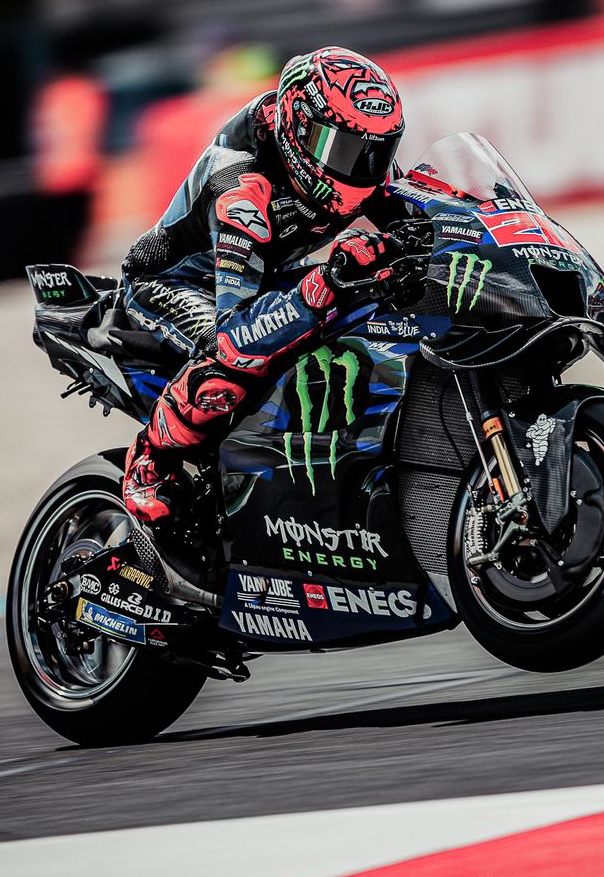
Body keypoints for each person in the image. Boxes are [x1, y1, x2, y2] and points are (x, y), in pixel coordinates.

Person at [122, 46, 408, 526]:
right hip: (182, 284)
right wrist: (325, 282)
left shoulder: (351, 157)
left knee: (372, 302)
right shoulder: (243, 187)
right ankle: (151, 459)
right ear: (300, 128)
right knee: (231, 361)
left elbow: (414, 211)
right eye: (345, 152)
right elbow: (236, 331)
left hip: (263, 274)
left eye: (374, 154)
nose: (362, 168)